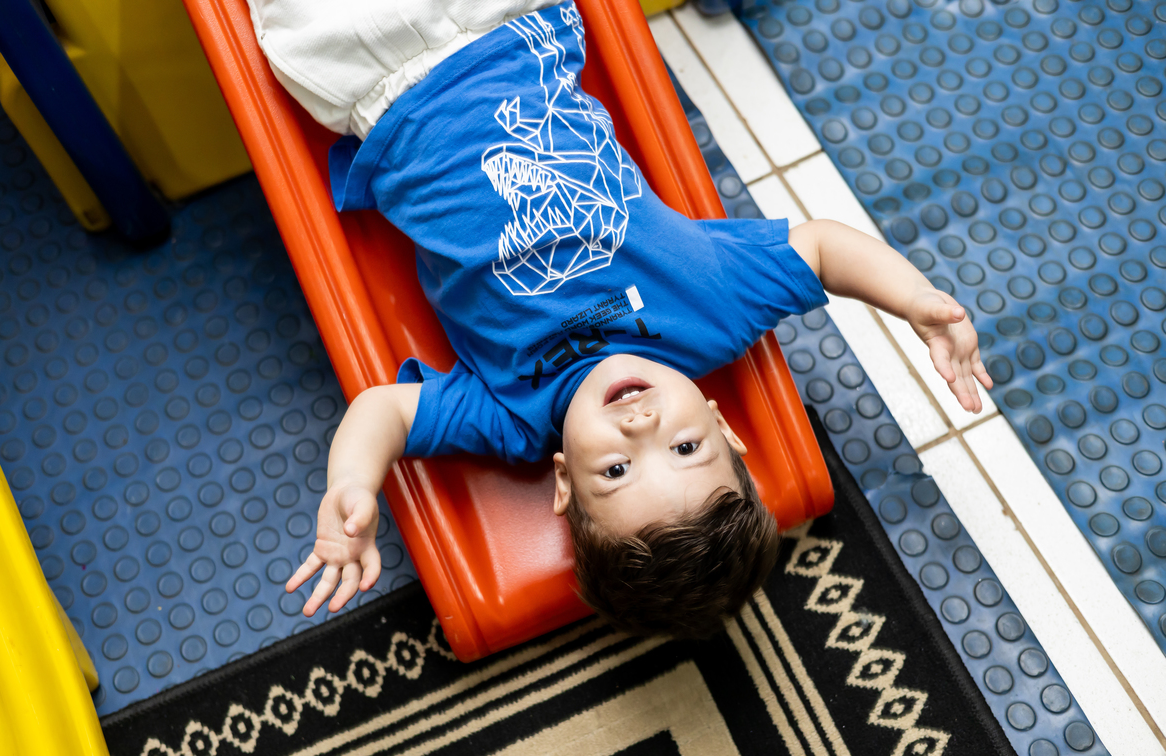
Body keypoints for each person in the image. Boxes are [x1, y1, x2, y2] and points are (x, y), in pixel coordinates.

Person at [249, 0, 992, 637]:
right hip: (503, 25)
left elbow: (384, 411)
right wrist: (916, 301)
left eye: (615, 471)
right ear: (723, 425)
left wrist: (353, 483)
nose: (642, 428)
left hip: (367, 77)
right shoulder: (713, 311)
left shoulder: (511, 419)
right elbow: (822, 250)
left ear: (564, 481)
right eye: (686, 447)